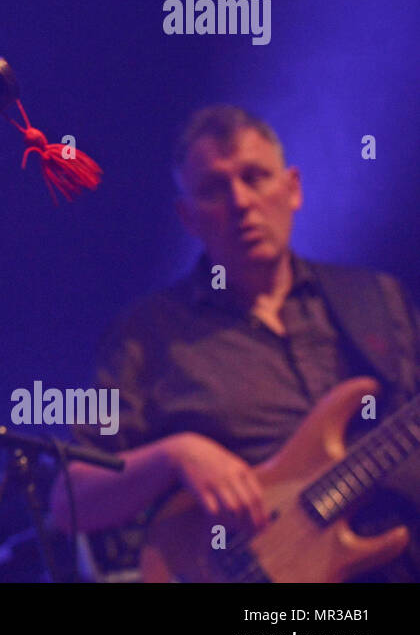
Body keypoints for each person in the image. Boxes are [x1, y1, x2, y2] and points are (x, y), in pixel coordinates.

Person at [48, 104, 420, 582]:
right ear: (187, 217)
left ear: (293, 188)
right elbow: (71, 502)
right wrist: (175, 454)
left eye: (255, 177)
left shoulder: (377, 299)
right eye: (213, 189)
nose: (241, 202)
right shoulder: (148, 335)